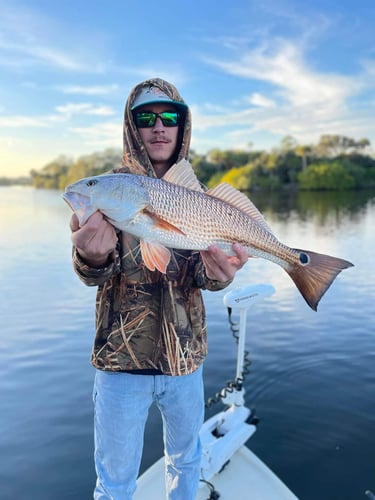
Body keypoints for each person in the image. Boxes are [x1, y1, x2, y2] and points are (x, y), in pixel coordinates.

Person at [69, 77, 248, 499]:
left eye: (170, 116)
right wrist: (92, 257)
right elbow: (90, 271)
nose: (159, 127)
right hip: (119, 363)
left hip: (185, 362)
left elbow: (205, 278)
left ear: (183, 124)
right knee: (114, 484)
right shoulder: (110, 190)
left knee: (186, 462)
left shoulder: (201, 198)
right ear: (132, 127)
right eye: (145, 118)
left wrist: (222, 275)